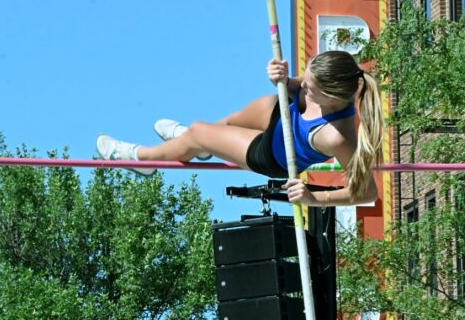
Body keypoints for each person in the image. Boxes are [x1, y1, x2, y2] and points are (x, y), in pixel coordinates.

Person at [97, 50, 384, 206]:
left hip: (272, 154)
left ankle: (144, 159)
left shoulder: (337, 137)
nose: (301, 84)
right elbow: (295, 87)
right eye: (304, 77)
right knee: (239, 115)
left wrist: (314, 199)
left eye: (309, 87)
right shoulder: (325, 84)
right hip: (281, 116)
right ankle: (193, 144)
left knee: (198, 130)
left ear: (331, 98)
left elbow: (367, 193)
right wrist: (280, 77)